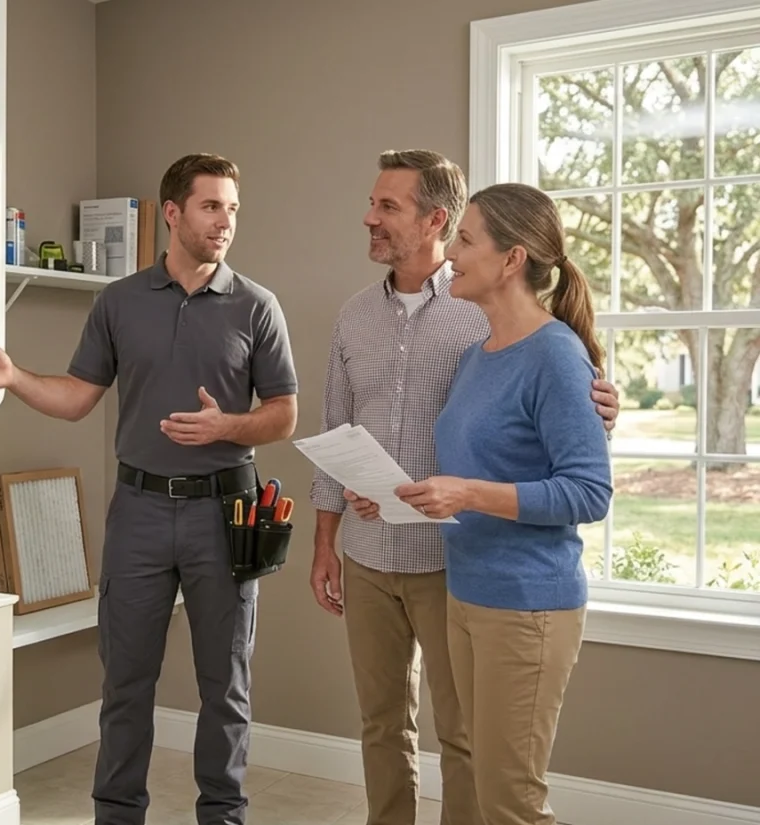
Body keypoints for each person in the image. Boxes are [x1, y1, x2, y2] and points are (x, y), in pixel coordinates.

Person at [0, 153, 298, 825]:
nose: (225, 222)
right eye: (211, 206)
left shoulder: (257, 305)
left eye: (232, 209)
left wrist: (229, 424)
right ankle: (116, 816)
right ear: (173, 212)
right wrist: (14, 378)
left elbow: (284, 411)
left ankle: (223, 815)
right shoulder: (120, 301)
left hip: (227, 511)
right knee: (126, 684)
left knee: (226, 686)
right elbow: (77, 397)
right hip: (138, 510)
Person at [309, 150, 619, 825]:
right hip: (417, 564)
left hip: (474, 572)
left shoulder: (505, 329)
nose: (370, 217)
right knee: (394, 729)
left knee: (489, 770)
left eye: (387, 205)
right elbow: (356, 428)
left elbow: (579, 472)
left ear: (438, 221)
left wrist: (599, 408)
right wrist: (361, 502)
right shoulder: (454, 343)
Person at [388, 182, 612, 825]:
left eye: (465, 239)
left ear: (512, 259)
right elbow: (477, 467)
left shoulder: (555, 355)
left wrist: (466, 493)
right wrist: (398, 494)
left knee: (511, 800)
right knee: (475, 791)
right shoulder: (475, 357)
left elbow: (589, 491)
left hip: (528, 606)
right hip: (468, 593)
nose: (451, 253)